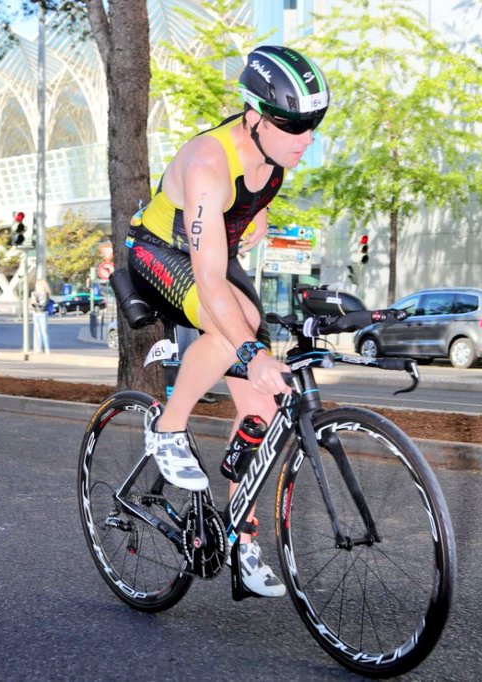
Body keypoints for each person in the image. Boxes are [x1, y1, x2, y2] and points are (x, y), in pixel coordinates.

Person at [125, 45, 328, 597]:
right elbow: (209, 279)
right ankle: (167, 428)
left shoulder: (273, 152)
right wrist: (251, 352)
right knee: (236, 328)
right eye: (294, 126)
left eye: (314, 124)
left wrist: (259, 215)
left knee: (263, 406)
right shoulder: (209, 165)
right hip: (157, 253)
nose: (306, 138)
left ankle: (239, 536)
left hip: (210, 258)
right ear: (255, 115)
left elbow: (249, 203)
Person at [30, 278, 51, 354]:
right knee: (42, 331)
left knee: (41, 331)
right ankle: (44, 349)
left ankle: (43, 349)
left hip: (38, 313)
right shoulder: (45, 294)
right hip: (42, 313)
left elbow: (34, 304)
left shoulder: (39, 294)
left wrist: (34, 302)